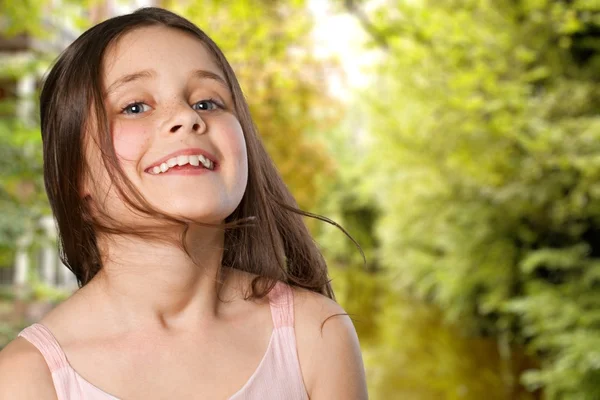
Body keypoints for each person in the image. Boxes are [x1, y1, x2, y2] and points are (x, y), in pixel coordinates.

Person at [0, 7, 368, 400]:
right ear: (75, 176)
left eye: (208, 102)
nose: (187, 118)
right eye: (135, 107)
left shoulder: (316, 335)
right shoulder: (26, 379)